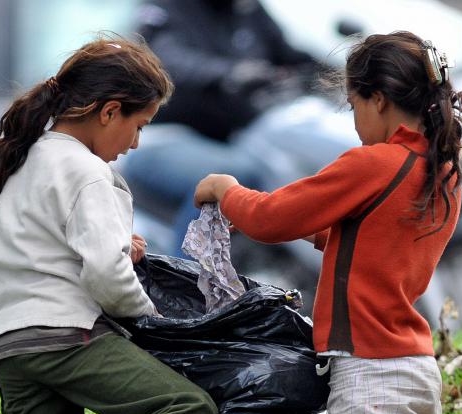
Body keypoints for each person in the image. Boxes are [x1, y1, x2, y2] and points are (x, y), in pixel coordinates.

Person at [193, 31, 462, 414]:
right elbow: (370, 238)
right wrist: (291, 224)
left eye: (353, 105)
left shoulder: (373, 163)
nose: (355, 120)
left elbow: (271, 219)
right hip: (414, 367)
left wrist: (225, 189)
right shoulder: (441, 169)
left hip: (372, 375)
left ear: (377, 100)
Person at [0, 36, 217, 414]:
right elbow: (105, 274)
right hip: (66, 336)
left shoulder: (26, 158)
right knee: (183, 407)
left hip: (10, 346)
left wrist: (122, 248)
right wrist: (151, 319)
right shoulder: (87, 172)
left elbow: (49, 245)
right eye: (139, 126)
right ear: (109, 112)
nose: (135, 143)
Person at [124, 0, 319, 255]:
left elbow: (291, 55)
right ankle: (186, 285)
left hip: (233, 141)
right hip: (165, 136)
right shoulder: (166, 7)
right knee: (228, 177)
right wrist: (228, 73)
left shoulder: (247, 9)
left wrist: (346, 70)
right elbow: (163, 58)